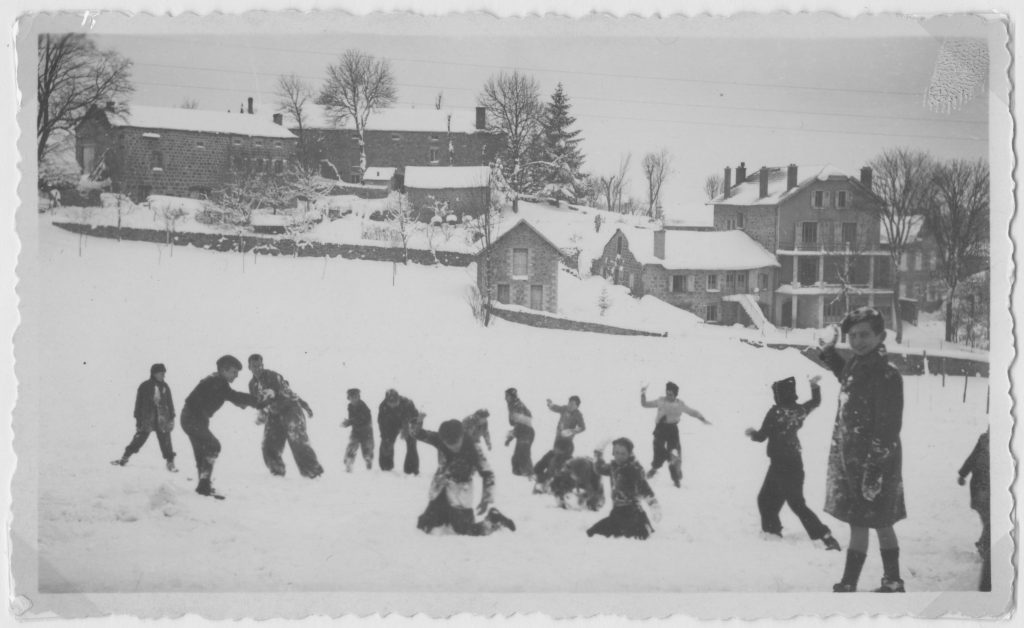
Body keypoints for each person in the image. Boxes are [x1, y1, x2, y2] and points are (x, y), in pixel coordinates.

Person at [819, 307, 907, 593]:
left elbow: (888, 429)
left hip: (876, 462)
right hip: (853, 460)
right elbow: (845, 375)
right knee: (865, 521)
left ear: (881, 336)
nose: (858, 341)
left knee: (878, 522)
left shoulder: (886, 375)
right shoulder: (858, 365)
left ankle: (880, 581)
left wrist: (874, 471)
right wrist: (830, 353)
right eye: (853, 336)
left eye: (865, 335)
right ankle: (864, 581)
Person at [745, 375, 841, 551]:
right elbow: (816, 401)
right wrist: (814, 386)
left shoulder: (776, 412)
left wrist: (751, 433)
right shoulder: (798, 410)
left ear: (779, 395)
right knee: (780, 501)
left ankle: (821, 535)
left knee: (782, 501)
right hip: (794, 463)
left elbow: (761, 436)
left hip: (780, 464)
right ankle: (773, 531)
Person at [410, 416, 516, 536]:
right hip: (441, 489)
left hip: (460, 492)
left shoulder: (474, 448)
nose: (453, 446)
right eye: (449, 443)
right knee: (424, 525)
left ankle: (494, 519)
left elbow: (488, 473)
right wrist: (416, 423)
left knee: (465, 531)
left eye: (456, 442)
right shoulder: (440, 439)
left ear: (462, 436)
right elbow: (419, 434)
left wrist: (486, 497)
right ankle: (445, 517)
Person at [180, 355, 258, 498]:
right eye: (234, 372)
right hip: (193, 419)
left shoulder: (216, 381)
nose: (236, 376)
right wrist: (257, 400)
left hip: (193, 419)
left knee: (202, 453)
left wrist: (241, 402)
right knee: (213, 446)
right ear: (224, 370)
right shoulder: (217, 381)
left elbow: (227, 396)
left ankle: (203, 487)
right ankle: (204, 485)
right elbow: (232, 395)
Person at [247, 355, 324, 479]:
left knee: (297, 440)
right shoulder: (252, 385)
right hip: (274, 414)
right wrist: (261, 413)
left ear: (263, 365)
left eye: (259, 365)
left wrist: (304, 405)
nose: (257, 368)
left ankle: (313, 472)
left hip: (290, 409)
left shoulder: (273, 376)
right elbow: (258, 402)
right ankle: (277, 471)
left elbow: (287, 391)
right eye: (254, 366)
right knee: (269, 443)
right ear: (249, 367)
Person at [587, 438, 661, 539]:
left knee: (633, 538)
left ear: (629, 454)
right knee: (591, 533)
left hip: (633, 515)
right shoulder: (614, 466)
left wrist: (654, 507)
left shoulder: (634, 469)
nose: (619, 456)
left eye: (623, 453)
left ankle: (643, 527)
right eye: (616, 452)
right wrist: (598, 452)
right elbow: (599, 468)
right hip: (617, 514)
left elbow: (645, 489)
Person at [640, 381, 711, 487]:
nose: (668, 396)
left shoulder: (679, 405)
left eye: (671, 394)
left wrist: (703, 419)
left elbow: (693, 412)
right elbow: (644, 404)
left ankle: (676, 476)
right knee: (658, 451)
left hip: (672, 430)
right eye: (667, 393)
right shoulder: (660, 401)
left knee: (674, 453)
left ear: (675, 395)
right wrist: (643, 393)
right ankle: (654, 468)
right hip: (660, 430)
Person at [111, 363, 178, 472]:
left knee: (166, 441)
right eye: (161, 373)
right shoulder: (145, 386)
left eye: (164, 373)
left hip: (162, 419)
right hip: (147, 419)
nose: (163, 375)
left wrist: (172, 417)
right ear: (154, 373)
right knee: (139, 439)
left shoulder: (165, 387)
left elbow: (170, 403)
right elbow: (138, 403)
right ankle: (125, 457)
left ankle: (170, 463)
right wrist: (138, 419)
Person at [959, 428, 990, 591]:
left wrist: (963, 474)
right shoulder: (985, 440)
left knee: (990, 521)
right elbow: (972, 458)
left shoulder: (986, 439)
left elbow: (972, 459)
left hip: (983, 489)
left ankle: (985, 543)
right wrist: (962, 474)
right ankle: (985, 544)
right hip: (982, 489)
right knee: (990, 521)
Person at [533, 395, 587, 491]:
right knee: (554, 454)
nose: (570, 405)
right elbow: (556, 408)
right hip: (558, 438)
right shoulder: (564, 409)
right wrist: (550, 404)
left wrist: (572, 431)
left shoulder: (578, 414)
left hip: (567, 441)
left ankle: (558, 477)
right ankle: (547, 476)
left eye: (573, 404)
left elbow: (582, 427)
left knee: (563, 458)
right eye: (569, 403)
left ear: (577, 406)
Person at [377, 388, 420, 475]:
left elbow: (416, 418)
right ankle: (386, 467)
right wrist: (384, 436)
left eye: (395, 402)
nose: (393, 405)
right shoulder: (383, 406)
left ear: (398, 399)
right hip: (391, 424)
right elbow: (381, 422)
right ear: (387, 401)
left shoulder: (408, 403)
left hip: (407, 422)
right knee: (386, 442)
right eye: (390, 403)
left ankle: (411, 469)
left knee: (411, 443)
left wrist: (409, 429)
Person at [504, 388, 535, 479]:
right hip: (522, 432)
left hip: (526, 432)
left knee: (523, 455)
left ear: (512, 396)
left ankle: (529, 477)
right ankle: (518, 479)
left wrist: (511, 436)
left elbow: (521, 423)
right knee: (516, 459)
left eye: (507, 396)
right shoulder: (513, 405)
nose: (505, 398)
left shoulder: (518, 406)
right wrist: (511, 436)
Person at [342, 388, 374, 472]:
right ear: (348, 398)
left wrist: (351, 421)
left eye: (355, 397)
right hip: (356, 430)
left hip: (366, 430)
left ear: (359, 397)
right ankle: (349, 461)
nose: (353, 400)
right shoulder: (350, 407)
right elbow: (352, 419)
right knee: (352, 445)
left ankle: (368, 459)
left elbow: (362, 418)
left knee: (367, 447)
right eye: (351, 398)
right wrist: (348, 423)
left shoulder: (363, 407)